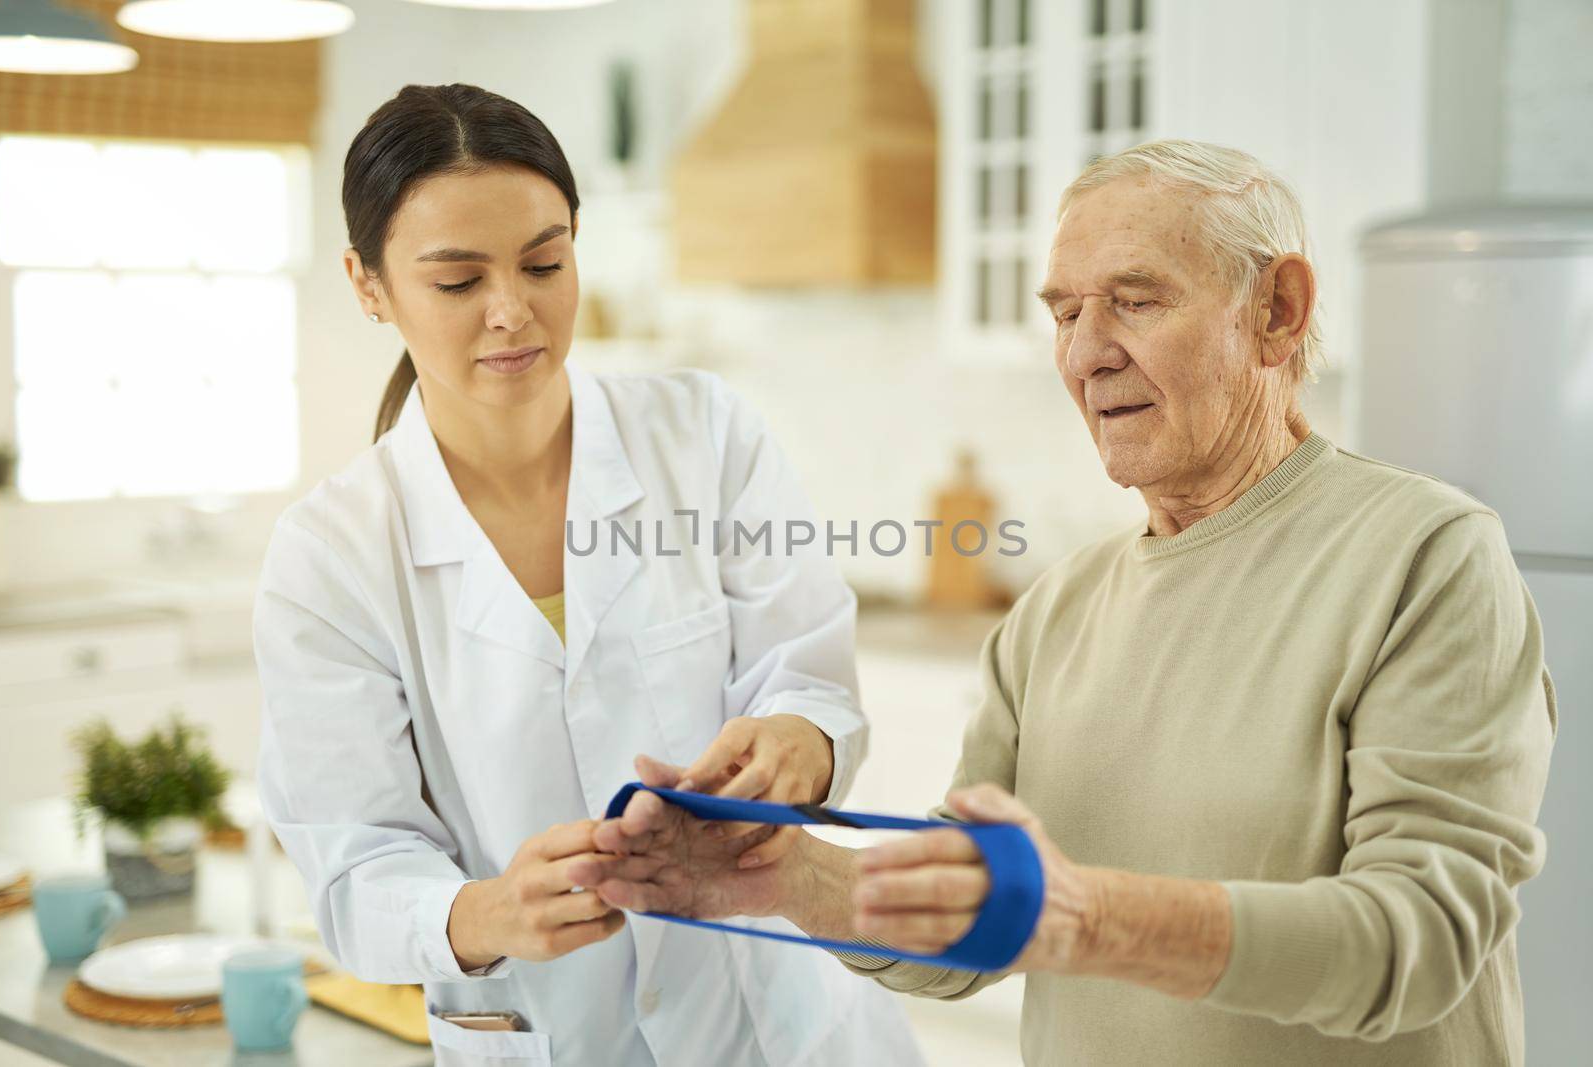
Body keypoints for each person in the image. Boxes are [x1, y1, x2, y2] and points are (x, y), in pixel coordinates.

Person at [581, 140, 1557, 1066]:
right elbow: (971, 932)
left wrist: (1084, 916)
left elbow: (1418, 940)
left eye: (1134, 301)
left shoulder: (1424, 558)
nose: (1086, 353)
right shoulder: (1053, 613)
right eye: (1063, 314)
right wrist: (790, 876)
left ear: (1277, 311)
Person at [251, 83, 919, 1067]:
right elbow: (354, 865)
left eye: (543, 262)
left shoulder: (706, 436)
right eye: (456, 281)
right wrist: (483, 911)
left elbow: (807, 673)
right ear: (368, 284)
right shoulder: (331, 556)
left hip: (778, 1024)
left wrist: (798, 738)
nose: (512, 310)